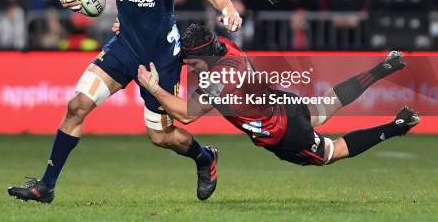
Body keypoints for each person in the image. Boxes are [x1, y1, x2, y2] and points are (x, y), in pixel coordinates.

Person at [8, 0, 243, 203]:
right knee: (77, 106)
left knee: (160, 135)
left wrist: (228, 9)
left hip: (160, 58)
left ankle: (204, 158)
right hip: (124, 46)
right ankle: (46, 186)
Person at [137, 24, 420, 169]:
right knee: (325, 106)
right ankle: (383, 68)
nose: (189, 67)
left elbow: (185, 114)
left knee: (331, 152)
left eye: (192, 63)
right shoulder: (225, 46)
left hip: (284, 132)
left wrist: (153, 87)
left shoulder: (219, 80)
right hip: (281, 103)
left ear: (205, 57)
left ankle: (397, 126)